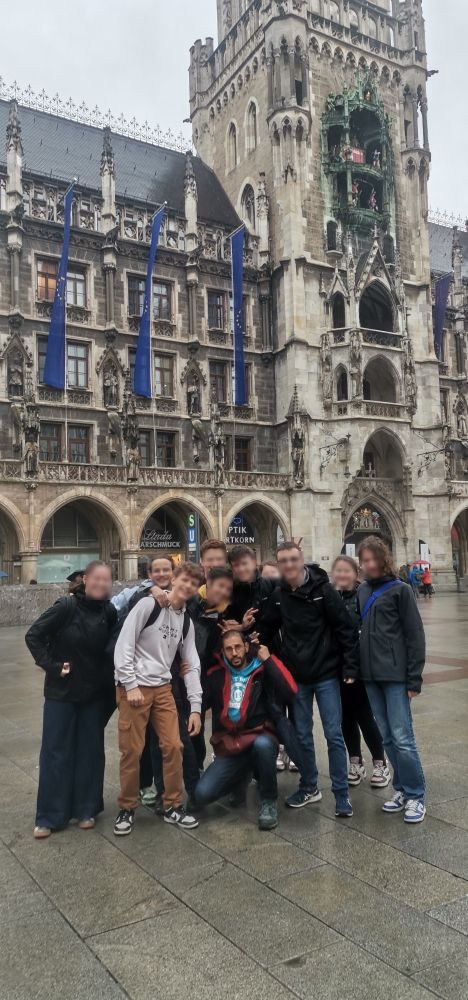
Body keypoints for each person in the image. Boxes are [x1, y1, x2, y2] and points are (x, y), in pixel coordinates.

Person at [262, 542, 358, 818]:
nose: (289, 565)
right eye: (283, 561)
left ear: (302, 560)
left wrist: (349, 668)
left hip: (326, 674)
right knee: (302, 734)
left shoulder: (323, 591)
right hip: (297, 677)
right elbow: (266, 629)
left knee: (333, 734)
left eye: (293, 559)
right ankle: (309, 786)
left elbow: (345, 628)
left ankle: (341, 794)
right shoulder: (279, 595)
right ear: (279, 565)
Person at [25, 561, 117, 839]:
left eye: (106, 580)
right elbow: (34, 635)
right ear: (85, 579)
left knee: (90, 751)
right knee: (55, 751)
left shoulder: (109, 612)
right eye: (96, 578)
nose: (100, 584)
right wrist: (52, 666)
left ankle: (86, 808)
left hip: (93, 693)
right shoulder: (66, 606)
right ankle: (50, 815)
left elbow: (112, 648)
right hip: (61, 692)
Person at [113, 562, 204, 836]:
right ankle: (127, 807)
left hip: (163, 687)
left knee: (174, 746)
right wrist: (129, 684)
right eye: (184, 580)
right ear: (174, 579)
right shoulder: (148, 606)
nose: (187, 586)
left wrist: (196, 707)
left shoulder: (185, 620)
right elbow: (124, 645)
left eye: (193, 583)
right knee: (132, 750)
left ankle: (173, 805)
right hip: (135, 687)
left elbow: (192, 662)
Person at [193, 630, 297, 830]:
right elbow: (200, 700)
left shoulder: (262, 670)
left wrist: (269, 660)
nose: (234, 653)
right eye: (229, 649)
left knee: (264, 745)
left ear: (246, 647)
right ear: (222, 652)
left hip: (259, 736)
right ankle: (240, 778)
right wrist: (194, 712)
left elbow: (290, 690)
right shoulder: (216, 674)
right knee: (202, 794)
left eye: (238, 647)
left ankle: (268, 800)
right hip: (231, 745)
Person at [357, 537, 427, 824]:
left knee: (403, 737)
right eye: (365, 560)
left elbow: (415, 636)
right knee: (387, 737)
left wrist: (414, 678)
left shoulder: (401, 590)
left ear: (383, 559)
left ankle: (416, 795)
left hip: (396, 676)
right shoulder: (362, 591)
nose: (370, 564)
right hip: (371, 676)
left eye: (374, 559)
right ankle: (400, 788)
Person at [331, 556, 390, 789]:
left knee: (365, 716)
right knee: (345, 717)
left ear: (356, 574)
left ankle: (380, 763)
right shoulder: (331, 598)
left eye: (347, 571)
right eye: (338, 571)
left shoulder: (363, 597)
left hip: (360, 668)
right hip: (337, 668)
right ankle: (355, 761)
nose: (342, 575)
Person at [226, 545, 276, 635]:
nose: (241, 569)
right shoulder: (229, 591)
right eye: (236, 565)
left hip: (269, 646)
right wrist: (241, 627)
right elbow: (224, 625)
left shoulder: (270, 586)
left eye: (244, 563)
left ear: (254, 563)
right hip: (240, 645)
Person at [111, 554, 174, 621]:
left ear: (173, 572)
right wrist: (148, 589)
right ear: (150, 574)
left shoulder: (181, 593)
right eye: (157, 571)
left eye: (166, 570)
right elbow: (110, 607)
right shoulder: (135, 592)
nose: (161, 574)